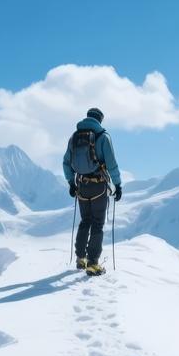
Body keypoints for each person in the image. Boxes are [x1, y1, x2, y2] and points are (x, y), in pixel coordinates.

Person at [63, 107, 122, 275]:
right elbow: (111, 164)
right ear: (100, 120)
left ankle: (80, 258)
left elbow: (66, 163)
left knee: (85, 221)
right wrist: (118, 185)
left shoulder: (74, 138)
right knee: (97, 223)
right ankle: (93, 263)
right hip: (98, 185)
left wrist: (71, 183)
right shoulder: (103, 137)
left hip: (81, 185)